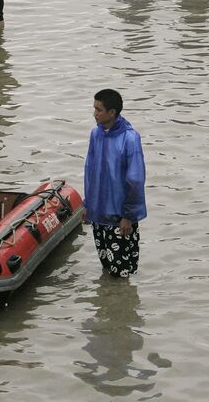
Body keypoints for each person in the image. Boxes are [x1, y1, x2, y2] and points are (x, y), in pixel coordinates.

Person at [83, 88, 146, 278]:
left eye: (99, 110)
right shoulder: (96, 135)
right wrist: (87, 204)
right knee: (106, 268)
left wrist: (128, 215)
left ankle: (123, 305)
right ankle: (108, 304)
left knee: (121, 274)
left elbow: (136, 179)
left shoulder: (130, 138)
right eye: (94, 109)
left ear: (112, 112)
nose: (95, 114)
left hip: (120, 218)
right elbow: (90, 170)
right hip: (99, 213)